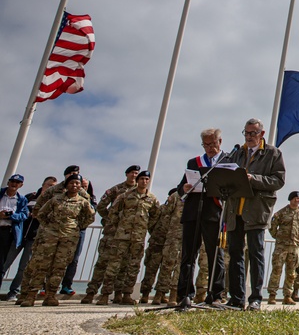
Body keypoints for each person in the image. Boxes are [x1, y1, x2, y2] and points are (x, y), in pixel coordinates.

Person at [225, 118, 286, 311]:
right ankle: (236, 297)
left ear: (262, 134)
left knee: (255, 254)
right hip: (235, 211)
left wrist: (254, 179)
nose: (249, 136)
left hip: (257, 211)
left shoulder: (273, 153)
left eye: (253, 133)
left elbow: (278, 180)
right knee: (235, 254)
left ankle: (255, 299)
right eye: (246, 133)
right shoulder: (236, 153)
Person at [17, 174, 94, 307]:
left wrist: (78, 226)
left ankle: (51, 295)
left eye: (77, 183)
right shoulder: (55, 199)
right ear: (66, 184)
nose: (74, 185)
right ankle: (31, 295)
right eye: (71, 183)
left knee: (59, 267)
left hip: (68, 239)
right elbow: (41, 214)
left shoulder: (83, 202)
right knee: (41, 265)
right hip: (49, 237)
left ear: (80, 186)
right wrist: (49, 226)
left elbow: (90, 217)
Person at [175, 128, 227, 308]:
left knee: (216, 256)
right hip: (192, 212)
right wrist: (185, 188)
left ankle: (216, 295)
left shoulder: (227, 160)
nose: (210, 148)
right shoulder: (194, 161)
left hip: (214, 213)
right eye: (206, 144)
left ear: (220, 142)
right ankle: (184, 295)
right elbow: (180, 186)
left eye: (213, 144)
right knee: (188, 255)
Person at [97, 170, 160, 305]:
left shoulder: (152, 199)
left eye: (146, 179)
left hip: (138, 238)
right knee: (113, 266)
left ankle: (127, 294)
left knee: (133, 267)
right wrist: (114, 227)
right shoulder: (125, 196)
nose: (144, 181)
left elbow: (155, 216)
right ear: (137, 180)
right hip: (121, 236)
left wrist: (146, 227)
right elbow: (113, 212)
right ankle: (105, 294)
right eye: (142, 178)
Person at [4, 176, 57, 301]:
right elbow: (19, 211)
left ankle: (13, 292)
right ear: (43, 185)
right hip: (19, 235)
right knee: (5, 263)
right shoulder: (30, 197)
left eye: (54, 186)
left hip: (34, 238)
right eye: (50, 185)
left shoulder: (53, 201)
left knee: (24, 267)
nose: (51, 188)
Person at [267, 191, 299, 305]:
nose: (297, 200)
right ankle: (272, 295)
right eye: (295, 198)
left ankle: (288, 296)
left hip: (294, 247)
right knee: (277, 270)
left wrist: (298, 240)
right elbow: (272, 226)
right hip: (281, 246)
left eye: (298, 198)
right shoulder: (281, 212)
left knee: (291, 273)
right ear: (290, 199)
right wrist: (277, 236)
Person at [0, 175, 29, 282]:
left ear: (21, 185)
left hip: (7, 232)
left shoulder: (22, 199)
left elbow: (24, 215)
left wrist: (10, 215)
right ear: (8, 182)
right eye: (12, 181)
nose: (14, 184)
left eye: (17, 182)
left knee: (1, 262)